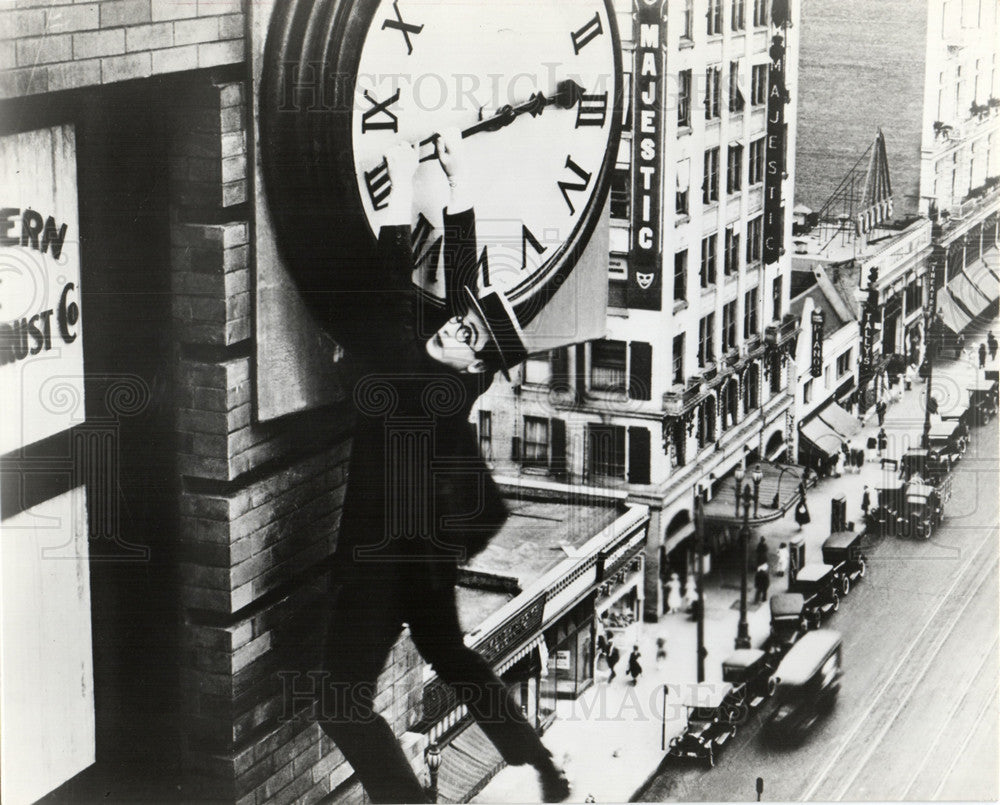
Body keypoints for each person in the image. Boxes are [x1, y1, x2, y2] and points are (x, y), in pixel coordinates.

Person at [317, 134, 569, 803]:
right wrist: (459, 192)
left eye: (469, 340)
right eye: (462, 326)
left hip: (383, 564)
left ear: (475, 368)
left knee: (339, 701)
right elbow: (460, 303)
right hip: (418, 563)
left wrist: (401, 192)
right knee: (452, 658)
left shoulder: (421, 380)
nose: (456, 330)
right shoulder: (454, 383)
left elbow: (391, 292)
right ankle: (539, 761)